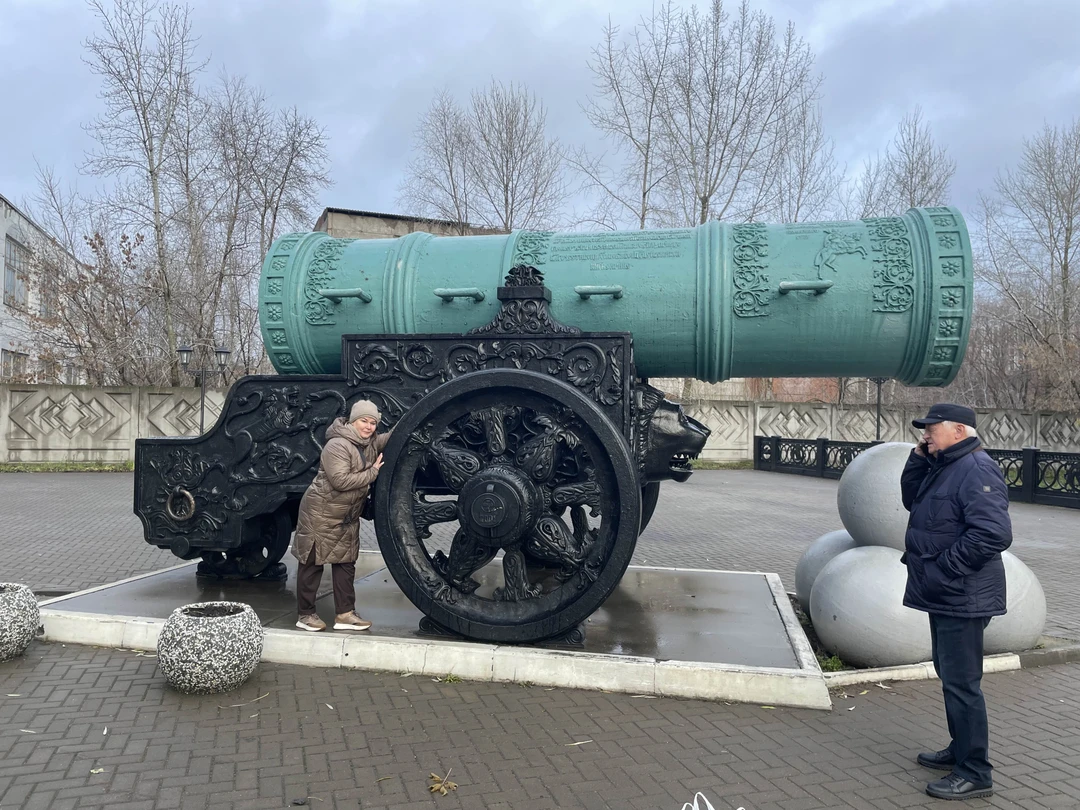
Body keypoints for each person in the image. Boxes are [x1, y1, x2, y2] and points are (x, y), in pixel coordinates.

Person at [900, 403, 1012, 801]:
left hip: (963, 593)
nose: (926, 434)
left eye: (933, 428)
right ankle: (960, 748)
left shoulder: (976, 469)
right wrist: (919, 458)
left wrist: (943, 569)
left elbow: (993, 534)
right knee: (950, 675)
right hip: (947, 593)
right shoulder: (945, 465)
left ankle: (975, 771)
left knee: (963, 684)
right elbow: (911, 499)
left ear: (959, 431)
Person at [292, 399, 391, 632]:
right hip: (320, 513)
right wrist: (373, 472)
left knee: (345, 564)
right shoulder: (337, 445)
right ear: (353, 421)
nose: (368, 427)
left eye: (373, 423)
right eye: (364, 421)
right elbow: (340, 481)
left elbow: (393, 435)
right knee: (311, 564)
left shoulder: (370, 443)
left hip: (345, 516)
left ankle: (345, 614)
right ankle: (305, 615)